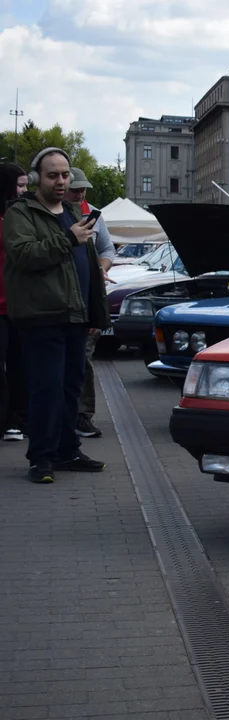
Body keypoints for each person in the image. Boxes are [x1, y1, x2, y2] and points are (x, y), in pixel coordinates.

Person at [2, 147, 108, 483]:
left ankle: (67, 450)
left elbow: (89, 266)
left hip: (75, 316)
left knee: (70, 388)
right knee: (46, 388)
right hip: (42, 315)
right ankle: (41, 458)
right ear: (36, 179)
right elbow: (24, 255)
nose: (61, 181)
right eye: (53, 175)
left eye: (64, 174)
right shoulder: (21, 213)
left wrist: (95, 314)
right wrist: (68, 238)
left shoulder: (74, 211)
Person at [66, 167, 116, 439]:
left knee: (84, 358)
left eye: (83, 188)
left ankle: (82, 415)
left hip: (89, 299)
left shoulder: (94, 214)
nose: (81, 193)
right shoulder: (50, 216)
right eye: (76, 189)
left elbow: (108, 249)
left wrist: (101, 267)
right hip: (60, 301)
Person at [0, 162, 29, 443]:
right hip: (1, 306)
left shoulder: (24, 217)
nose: (24, 191)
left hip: (20, 304)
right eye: (20, 185)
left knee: (20, 365)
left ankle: (17, 420)